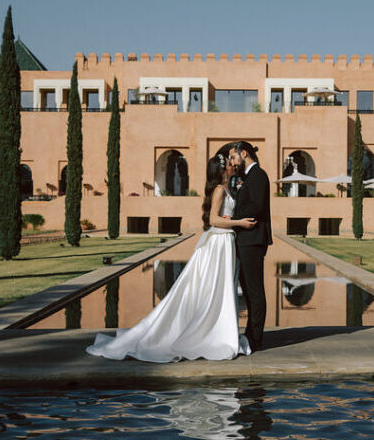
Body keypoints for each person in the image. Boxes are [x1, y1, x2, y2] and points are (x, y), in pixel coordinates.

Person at [85, 153, 256, 362]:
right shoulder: (220, 189)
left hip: (225, 243)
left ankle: (217, 329)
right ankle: (209, 333)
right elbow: (213, 219)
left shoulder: (228, 188)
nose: (233, 166)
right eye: (230, 164)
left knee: (219, 288)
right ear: (222, 170)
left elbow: (220, 216)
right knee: (212, 288)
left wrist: (231, 219)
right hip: (219, 243)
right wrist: (239, 223)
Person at [229, 141, 272, 353]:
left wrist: (234, 218)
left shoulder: (259, 175)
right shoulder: (249, 177)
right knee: (248, 290)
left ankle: (256, 339)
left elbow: (256, 206)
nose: (232, 162)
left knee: (254, 292)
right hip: (246, 240)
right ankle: (251, 334)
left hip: (253, 240)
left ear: (243, 153)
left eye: (234, 157)